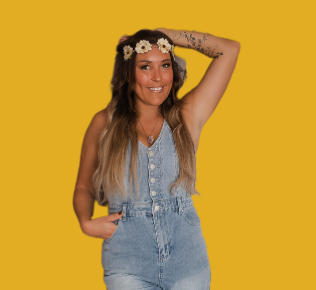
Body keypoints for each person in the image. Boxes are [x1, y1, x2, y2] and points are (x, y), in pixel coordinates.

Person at [73, 28, 240, 289]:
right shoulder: (104, 123)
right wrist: (85, 221)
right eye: (145, 66)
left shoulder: (187, 116)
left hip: (188, 261)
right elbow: (83, 186)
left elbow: (229, 50)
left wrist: (163, 34)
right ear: (129, 73)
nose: (158, 77)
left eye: (165, 65)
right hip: (128, 264)